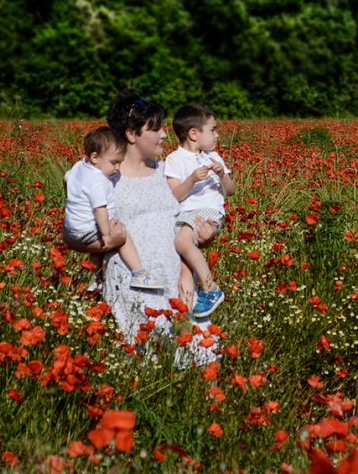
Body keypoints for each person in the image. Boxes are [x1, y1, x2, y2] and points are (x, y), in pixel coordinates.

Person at [99, 90, 220, 354]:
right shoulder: (106, 178)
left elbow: (189, 220)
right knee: (145, 361)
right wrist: (110, 241)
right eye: (156, 128)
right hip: (134, 286)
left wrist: (205, 235)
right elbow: (76, 235)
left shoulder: (168, 171)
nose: (165, 134)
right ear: (132, 134)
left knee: (197, 356)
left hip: (177, 284)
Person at [62, 126, 163, 291]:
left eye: (120, 163)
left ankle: (94, 278)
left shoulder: (79, 167)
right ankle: (139, 273)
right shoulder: (98, 181)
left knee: (97, 250)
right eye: (114, 163)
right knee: (122, 235)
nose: (117, 168)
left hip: (72, 226)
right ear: (95, 157)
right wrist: (107, 236)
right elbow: (100, 210)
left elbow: (66, 178)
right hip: (85, 230)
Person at [165, 105, 234, 317]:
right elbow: (176, 195)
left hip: (208, 211)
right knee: (184, 268)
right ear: (193, 133)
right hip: (185, 214)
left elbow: (230, 191)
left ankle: (211, 288)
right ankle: (184, 315)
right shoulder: (174, 159)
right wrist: (192, 179)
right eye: (212, 130)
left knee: (181, 242)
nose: (217, 134)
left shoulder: (214, 158)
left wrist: (222, 175)